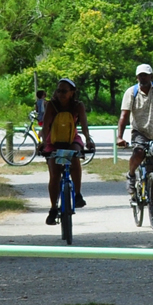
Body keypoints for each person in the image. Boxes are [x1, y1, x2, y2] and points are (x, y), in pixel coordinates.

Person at [40, 78, 93, 225]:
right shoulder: (51, 105)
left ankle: (77, 195)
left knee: (74, 158)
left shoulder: (78, 106)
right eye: (58, 91)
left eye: (64, 91)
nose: (61, 94)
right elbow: (45, 127)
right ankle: (53, 208)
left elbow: (84, 125)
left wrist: (88, 140)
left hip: (71, 140)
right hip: (53, 141)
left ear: (72, 93)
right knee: (54, 173)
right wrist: (43, 143)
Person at [117, 63, 153, 192]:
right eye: (140, 76)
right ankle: (131, 175)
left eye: (146, 75)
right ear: (136, 77)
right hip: (140, 132)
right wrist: (119, 137)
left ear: (151, 76)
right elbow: (124, 116)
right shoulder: (131, 93)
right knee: (139, 152)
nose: (143, 78)